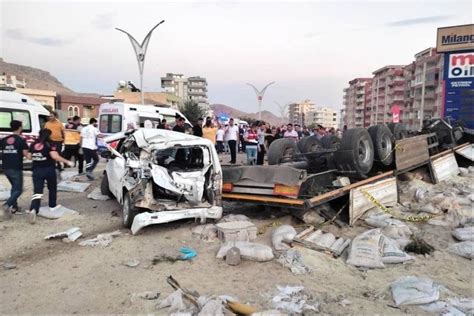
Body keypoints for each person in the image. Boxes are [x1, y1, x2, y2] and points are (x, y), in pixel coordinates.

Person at [27, 129, 74, 224]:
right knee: (52, 188)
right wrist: (67, 161)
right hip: (49, 169)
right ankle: (52, 206)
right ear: (49, 135)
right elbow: (55, 156)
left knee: (37, 191)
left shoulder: (33, 144)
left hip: (36, 170)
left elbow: (29, 156)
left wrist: (38, 157)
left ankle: (34, 209)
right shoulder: (50, 144)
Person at [0, 120, 29, 218]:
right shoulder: (21, 140)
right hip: (15, 167)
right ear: (20, 128)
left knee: (14, 187)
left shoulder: (4, 139)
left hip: (5, 167)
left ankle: (14, 208)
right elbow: (26, 154)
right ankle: (6, 205)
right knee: (19, 189)